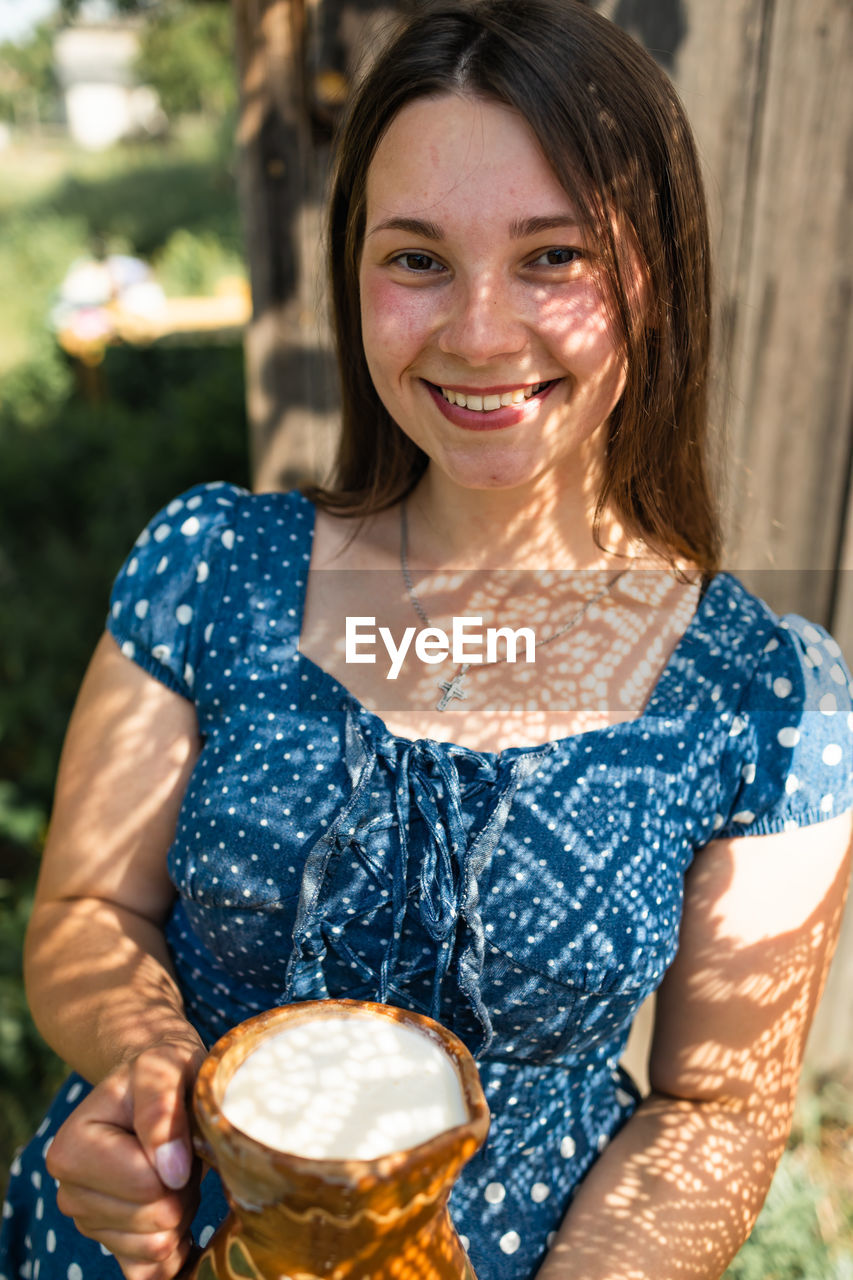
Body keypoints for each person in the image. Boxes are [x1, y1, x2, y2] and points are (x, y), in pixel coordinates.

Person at [2, 2, 852, 1278]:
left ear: (657, 275)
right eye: (417, 260)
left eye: (552, 256)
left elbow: (716, 1105)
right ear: (356, 278)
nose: (479, 333)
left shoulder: (765, 697)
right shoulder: (212, 567)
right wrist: (143, 1068)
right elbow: (87, 905)